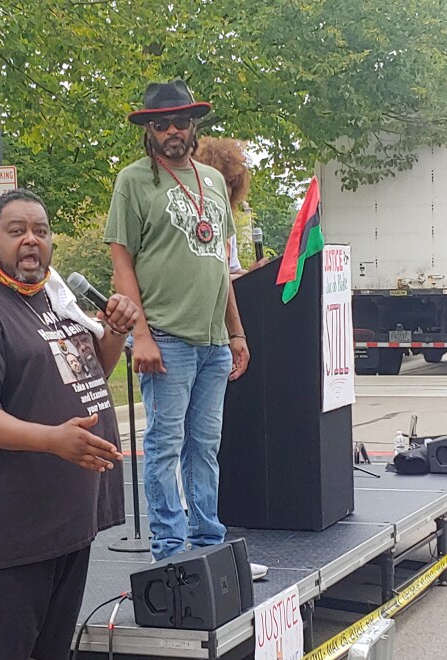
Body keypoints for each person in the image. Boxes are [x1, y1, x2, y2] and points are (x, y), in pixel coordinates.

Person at [0, 188, 139, 660]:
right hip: (4, 540)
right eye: (16, 230)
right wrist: (53, 440)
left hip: (62, 526)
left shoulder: (53, 300)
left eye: (40, 231)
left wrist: (115, 330)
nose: (30, 241)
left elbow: (88, 372)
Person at [104, 80, 267, 580]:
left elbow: (221, 264)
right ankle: (171, 555)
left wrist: (236, 334)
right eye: (160, 124)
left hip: (214, 342)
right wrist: (143, 337)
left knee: (206, 447)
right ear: (148, 132)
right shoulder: (134, 181)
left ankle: (208, 546)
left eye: (180, 122)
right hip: (167, 337)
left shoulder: (213, 182)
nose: (172, 131)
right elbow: (121, 262)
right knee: (164, 446)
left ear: (194, 125)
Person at [192, 136, 270, 280]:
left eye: (231, 183)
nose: (227, 189)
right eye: (221, 181)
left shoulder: (227, 223)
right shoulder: (192, 219)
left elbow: (232, 271)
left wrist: (254, 273)